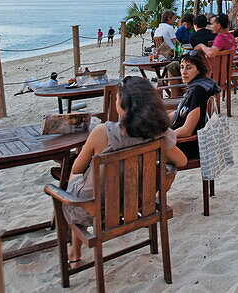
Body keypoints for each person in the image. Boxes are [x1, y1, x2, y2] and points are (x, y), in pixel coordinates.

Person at [63, 76, 188, 264]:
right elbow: (182, 161)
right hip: (138, 202)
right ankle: (74, 248)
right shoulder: (158, 134)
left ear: (124, 105)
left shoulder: (102, 132)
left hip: (95, 208)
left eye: (117, 98)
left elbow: (78, 168)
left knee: (73, 176)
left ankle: (75, 250)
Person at [170, 52, 220, 160]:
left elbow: (187, 130)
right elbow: (180, 113)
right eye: (182, 67)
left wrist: (163, 136)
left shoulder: (199, 91)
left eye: (189, 68)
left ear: (199, 70)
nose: (183, 72)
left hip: (187, 146)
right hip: (180, 142)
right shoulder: (196, 88)